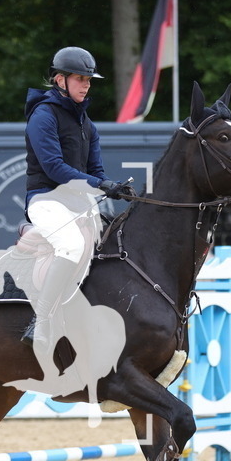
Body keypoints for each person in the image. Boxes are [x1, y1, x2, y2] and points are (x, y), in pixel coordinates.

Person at [20, 46, 134, 349]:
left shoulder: (86, 123)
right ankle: (41, 320)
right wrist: (101, 183)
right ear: (60, 80)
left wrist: (112, 186)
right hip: (46, 199)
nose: (87, 84)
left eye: (89, 79)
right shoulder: (42, 116)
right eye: (81, 79)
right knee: (71, 246)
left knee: (115, 241)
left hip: (76, 203)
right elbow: (55, 168)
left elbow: (95, 169)